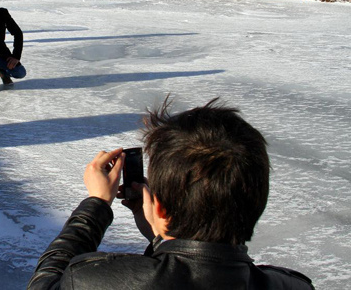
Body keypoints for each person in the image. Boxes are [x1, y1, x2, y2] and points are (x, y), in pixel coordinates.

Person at [28, 98, 314, 290]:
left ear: (161, 208)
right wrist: (162, 236)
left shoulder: (93, 280)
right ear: (256, 203)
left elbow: (47, 283)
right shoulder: (294, 285)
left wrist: (96, 204)